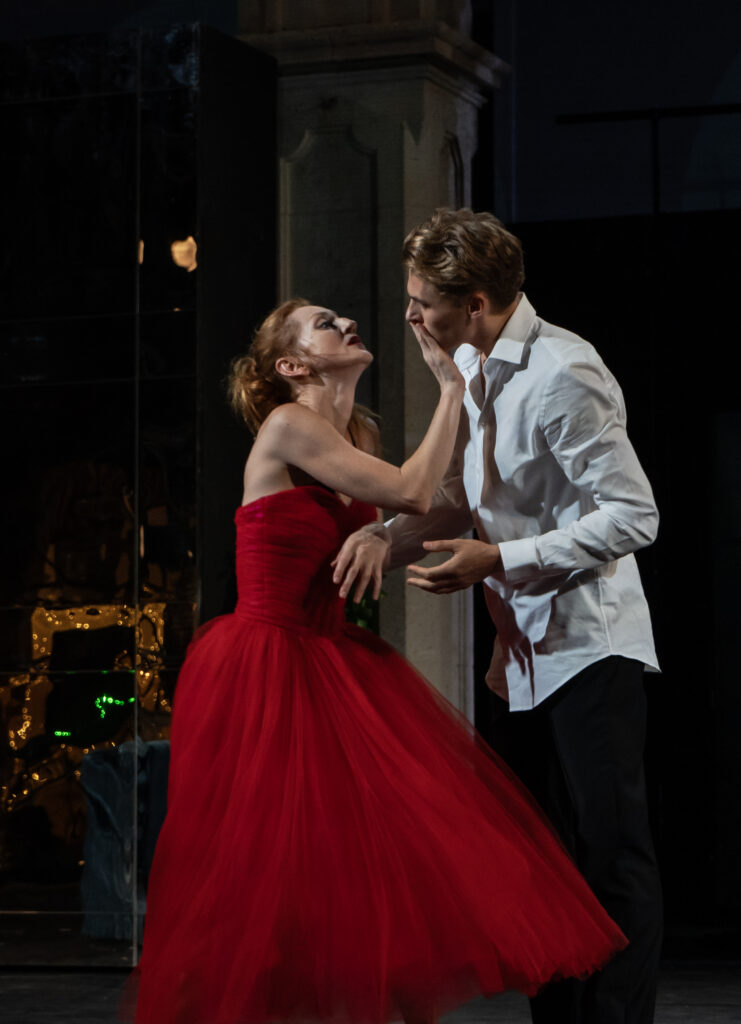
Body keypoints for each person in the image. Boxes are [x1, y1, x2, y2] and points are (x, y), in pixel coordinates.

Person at [128, 297, 627, 1024]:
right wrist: (452, 387)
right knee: (263, 863)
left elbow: (423, 507)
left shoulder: (354, 432)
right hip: (268, 660)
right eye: (324, 324)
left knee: (355, 863)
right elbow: (412, 491)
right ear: (292, 364)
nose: (345, 324)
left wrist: (381, 539)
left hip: (330, 654)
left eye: (340, 317)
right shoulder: (288, 423)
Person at [333, 208, 663, 1024]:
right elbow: (466, 498)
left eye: (422, 302)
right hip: (521, 654)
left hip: (588, 645)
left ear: (474, 302)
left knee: (609, 855)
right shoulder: (474, 365)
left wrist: (501, 560)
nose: (410, 315)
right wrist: (381, 539)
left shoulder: (561, 371)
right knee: (543, 862)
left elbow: (633, 516)